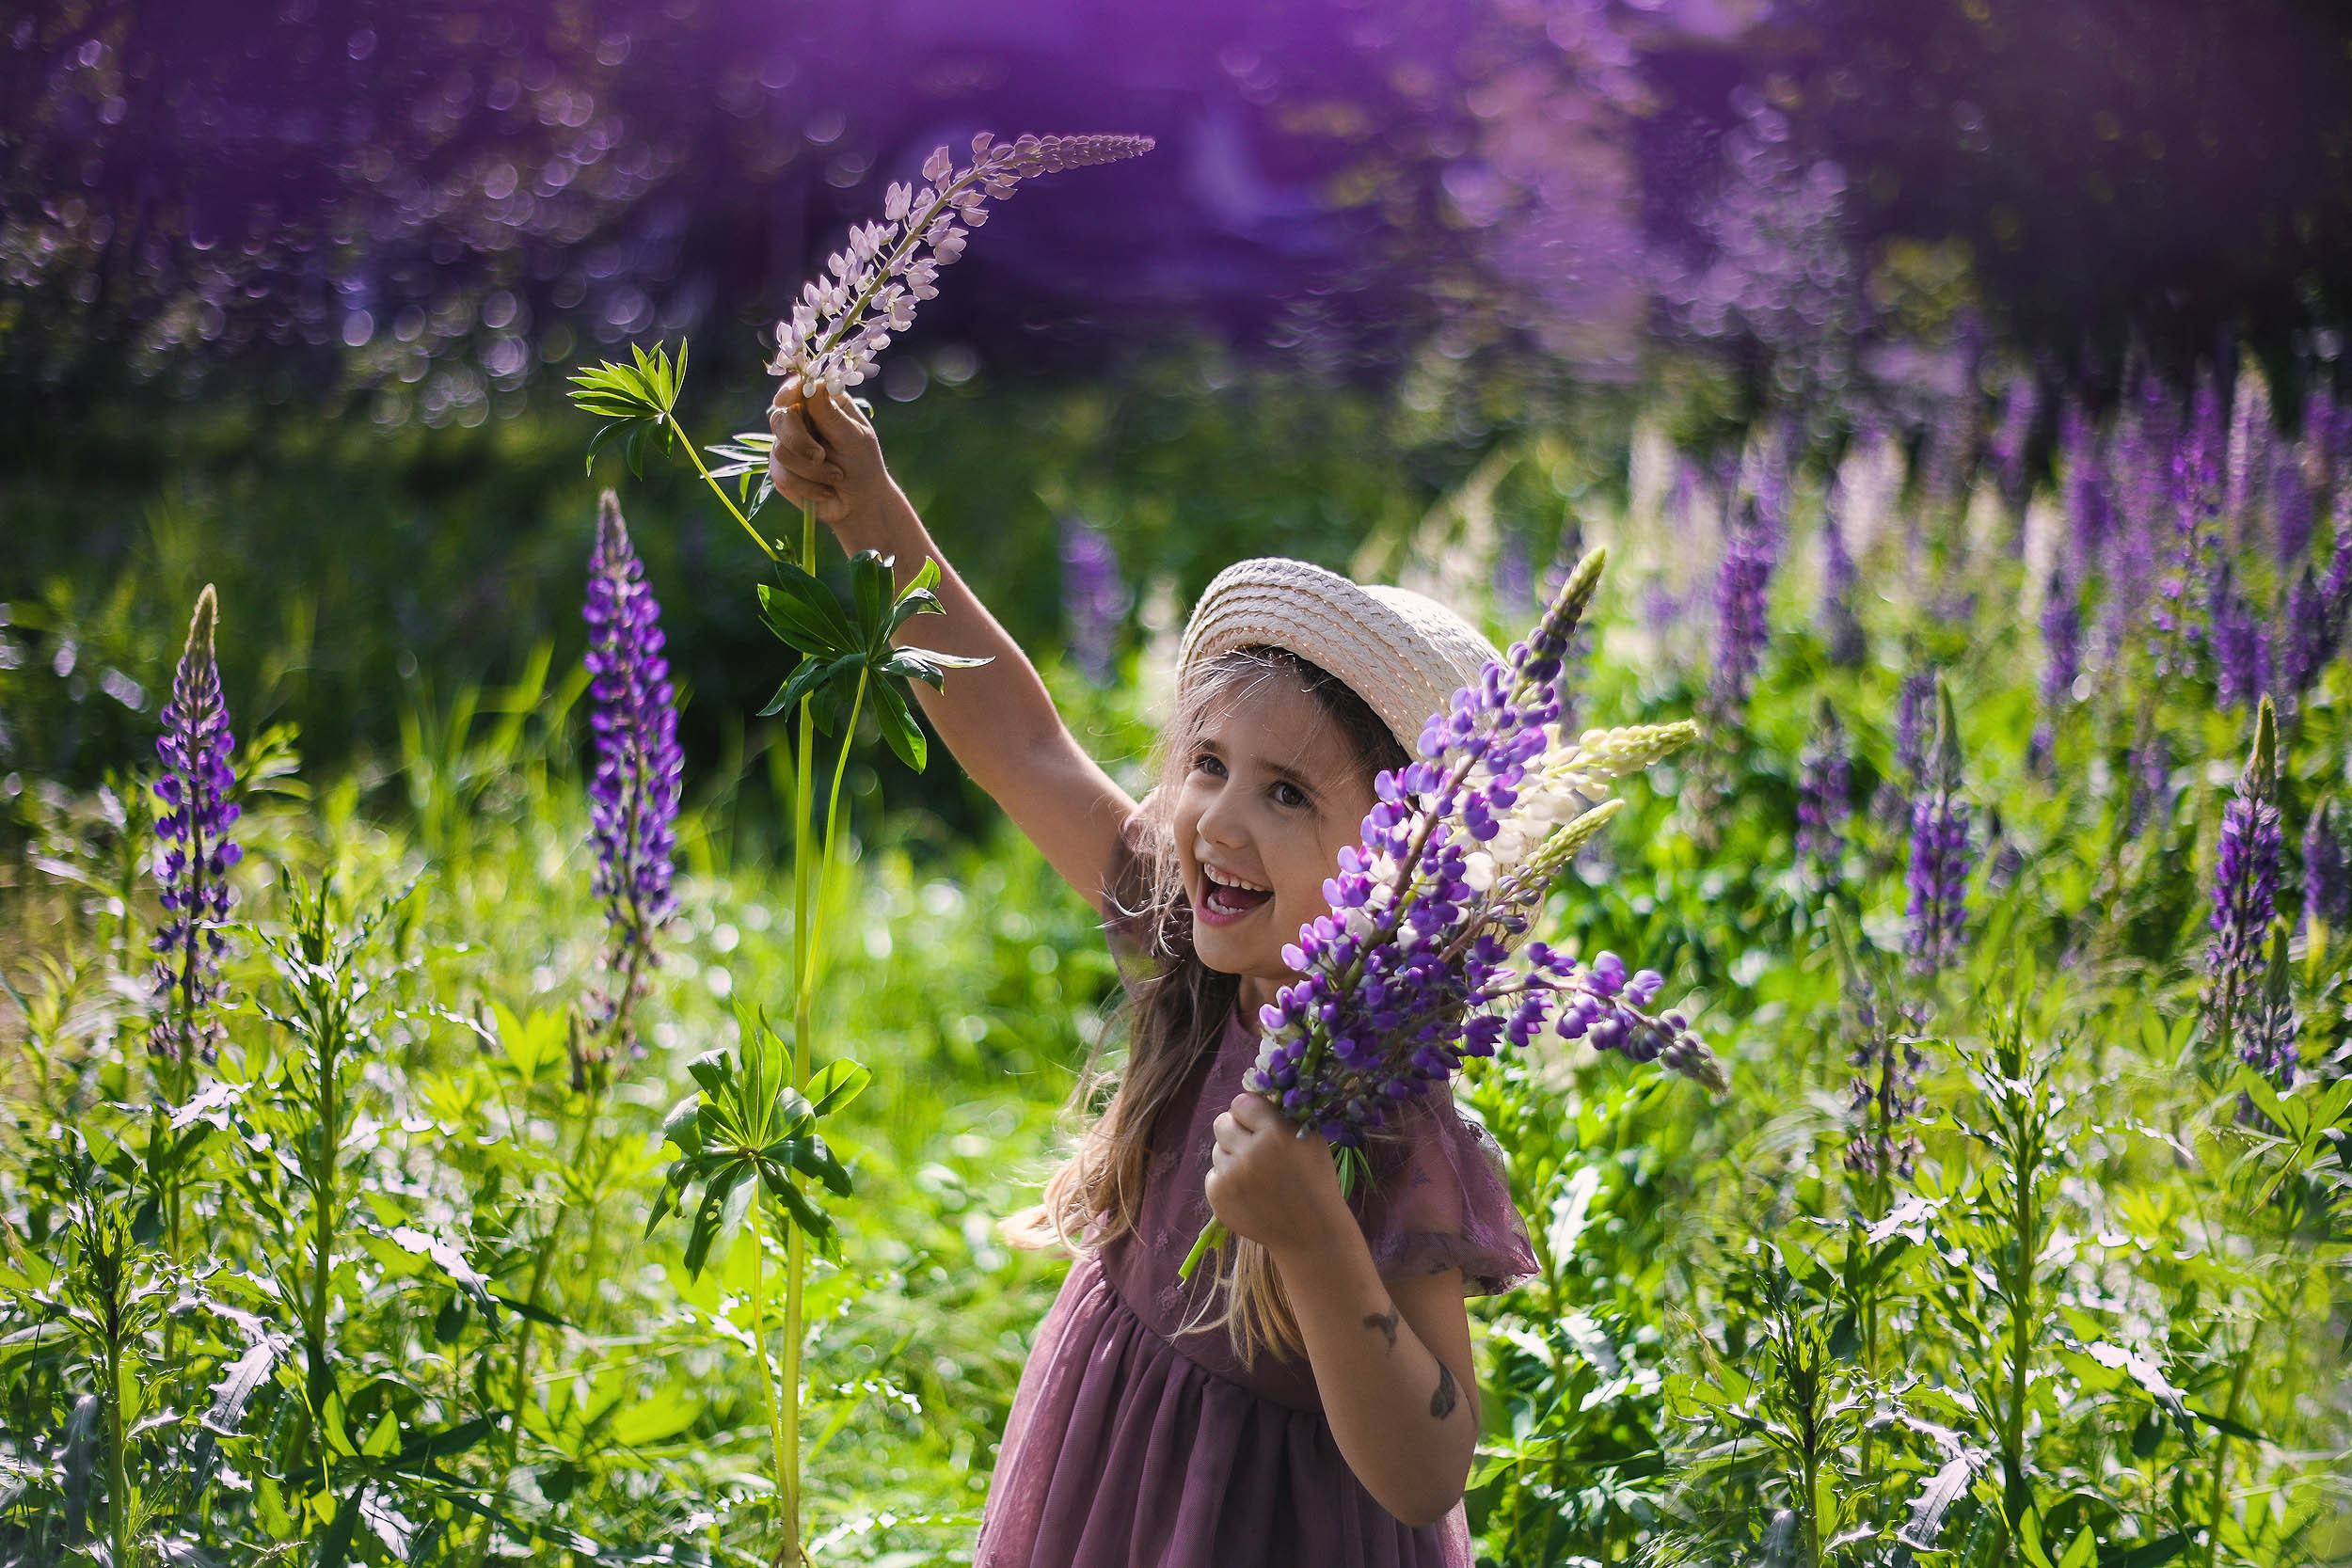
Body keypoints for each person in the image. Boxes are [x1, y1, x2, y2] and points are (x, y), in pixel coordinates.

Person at [769, 384, 1538, 1568]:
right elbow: (1021, 740)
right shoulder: (1185, 940)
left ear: (1396, 862)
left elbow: (1430, 1468)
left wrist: (1317, 1238)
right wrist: (873, 516)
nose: (1219, 821)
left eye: (1287, 792)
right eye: (1211, 765)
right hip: (1103, 1484)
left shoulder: (1389, 1105)